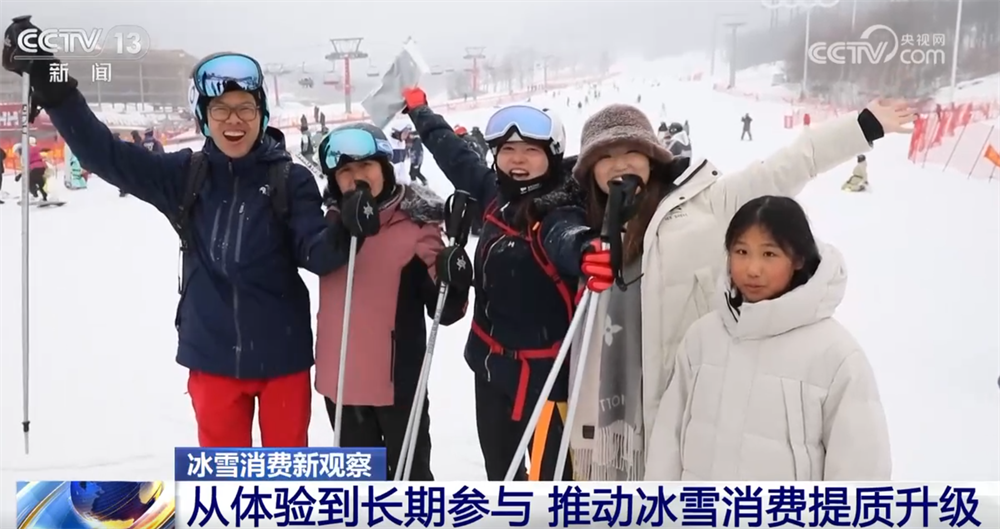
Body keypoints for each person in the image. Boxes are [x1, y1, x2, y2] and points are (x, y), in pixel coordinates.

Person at [3, 21, 352, 447]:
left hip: (283, 359)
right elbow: (106, 155)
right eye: (220, 109)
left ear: (261, 114)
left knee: (284, 473)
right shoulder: (185, 176)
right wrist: (51, 80)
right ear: (204, 117)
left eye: (246, 108)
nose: (234, 120)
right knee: (223, 478)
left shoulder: (290, 180)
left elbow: (316, 252)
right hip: (212, 358)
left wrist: (346, 224)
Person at [568, 100, 913, 480]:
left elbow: (787, 166)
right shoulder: (583, 225)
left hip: (686, 400)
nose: (619, 165)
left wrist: (862, 127)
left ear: (652, 156)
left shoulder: (706, 202)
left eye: (631, 151)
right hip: (611, 413)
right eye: (605, 156)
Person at [403, 87, 595, 481]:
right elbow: (455, 155)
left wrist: (587, 251)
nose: (517, 159)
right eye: (508, 150)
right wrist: (421, 112)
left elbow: (567, 238)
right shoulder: (495, 193)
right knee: (501, 476)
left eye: (530, 150)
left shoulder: (559, 210)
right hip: (490, 370)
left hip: (546, 380)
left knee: (550, 485)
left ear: (552, 154)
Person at [646, 196, 890, 480]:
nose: (752, 269)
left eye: (769, 254)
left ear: (798, 259)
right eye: (741, 252)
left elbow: (861, 470)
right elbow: (668, 442)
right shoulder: (702, 338)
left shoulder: (835, 354)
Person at [313, 122, 471, 480]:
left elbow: (445, 310)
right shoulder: (327, 228)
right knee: (358, 486)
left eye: (366, 166)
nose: (357, 177)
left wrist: (455, 279)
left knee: (411, 481)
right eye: (345, 170)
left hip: (397, 387)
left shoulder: (415, 228)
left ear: (385, 168)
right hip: (341, 385)